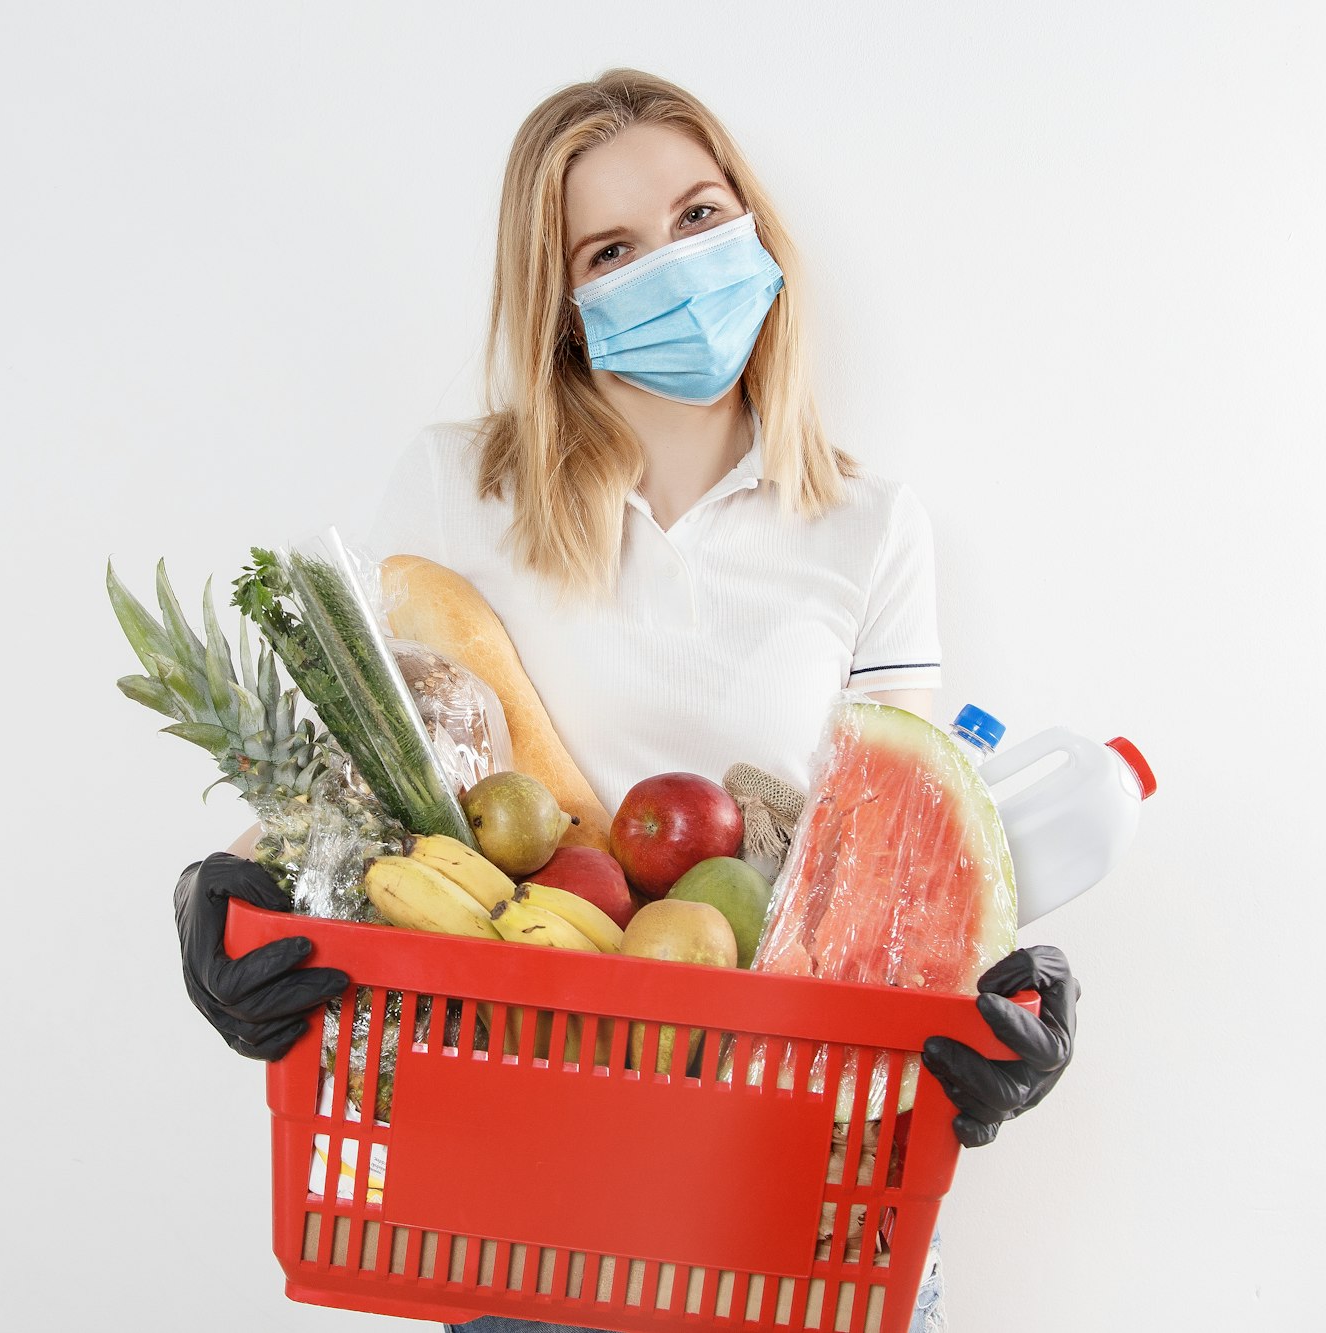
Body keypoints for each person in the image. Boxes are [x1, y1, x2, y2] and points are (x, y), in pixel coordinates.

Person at [173, 69, 1078, 1333]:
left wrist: (994, 1010)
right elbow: (357, 779)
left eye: (700, 217)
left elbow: (896, 854)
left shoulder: (867, 530)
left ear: (755, 228)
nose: (673, 266)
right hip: (529, 1167)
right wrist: (231, 899)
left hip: (790, 1172)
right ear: (564, 303)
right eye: (612, 248)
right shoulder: (452, 490)